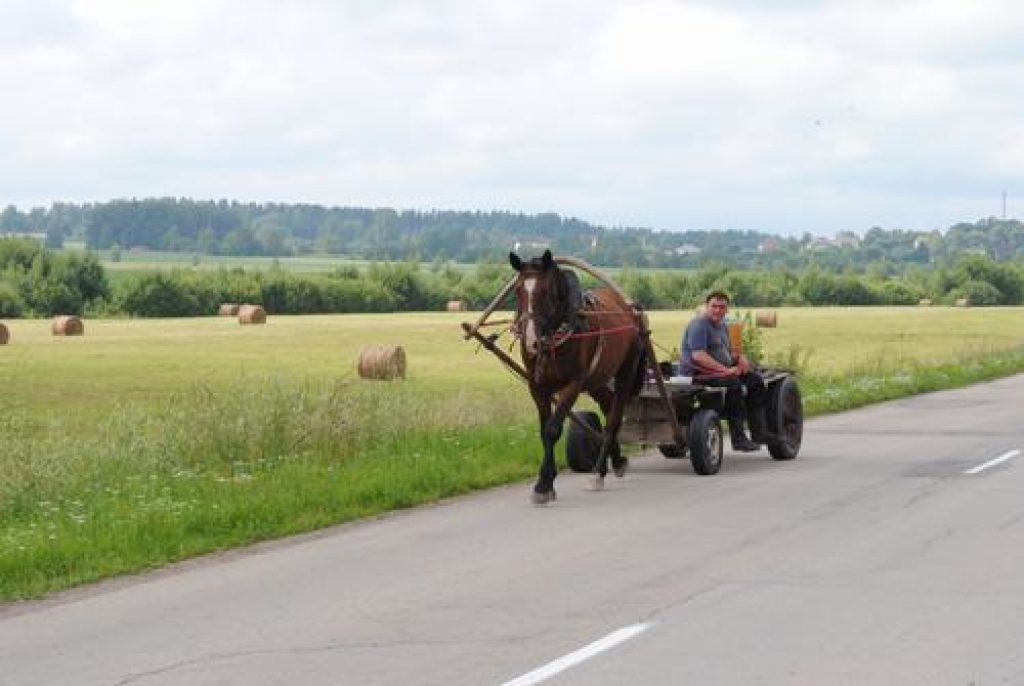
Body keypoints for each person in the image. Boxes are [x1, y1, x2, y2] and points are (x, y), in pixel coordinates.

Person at [680, 291, 774, 452]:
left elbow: (726, 352)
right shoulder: (699, 325)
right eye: (714, 306)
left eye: (721, 307)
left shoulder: (722, 326)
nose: (717, 310)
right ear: (706, 307)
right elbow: (699, 356)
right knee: (734, 386)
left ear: (727, 309)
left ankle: (759, 432)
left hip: (719, 372)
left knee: (755, 381)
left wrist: (740, 358)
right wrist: (725, 370)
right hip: (699, 374)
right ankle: (738, 439)